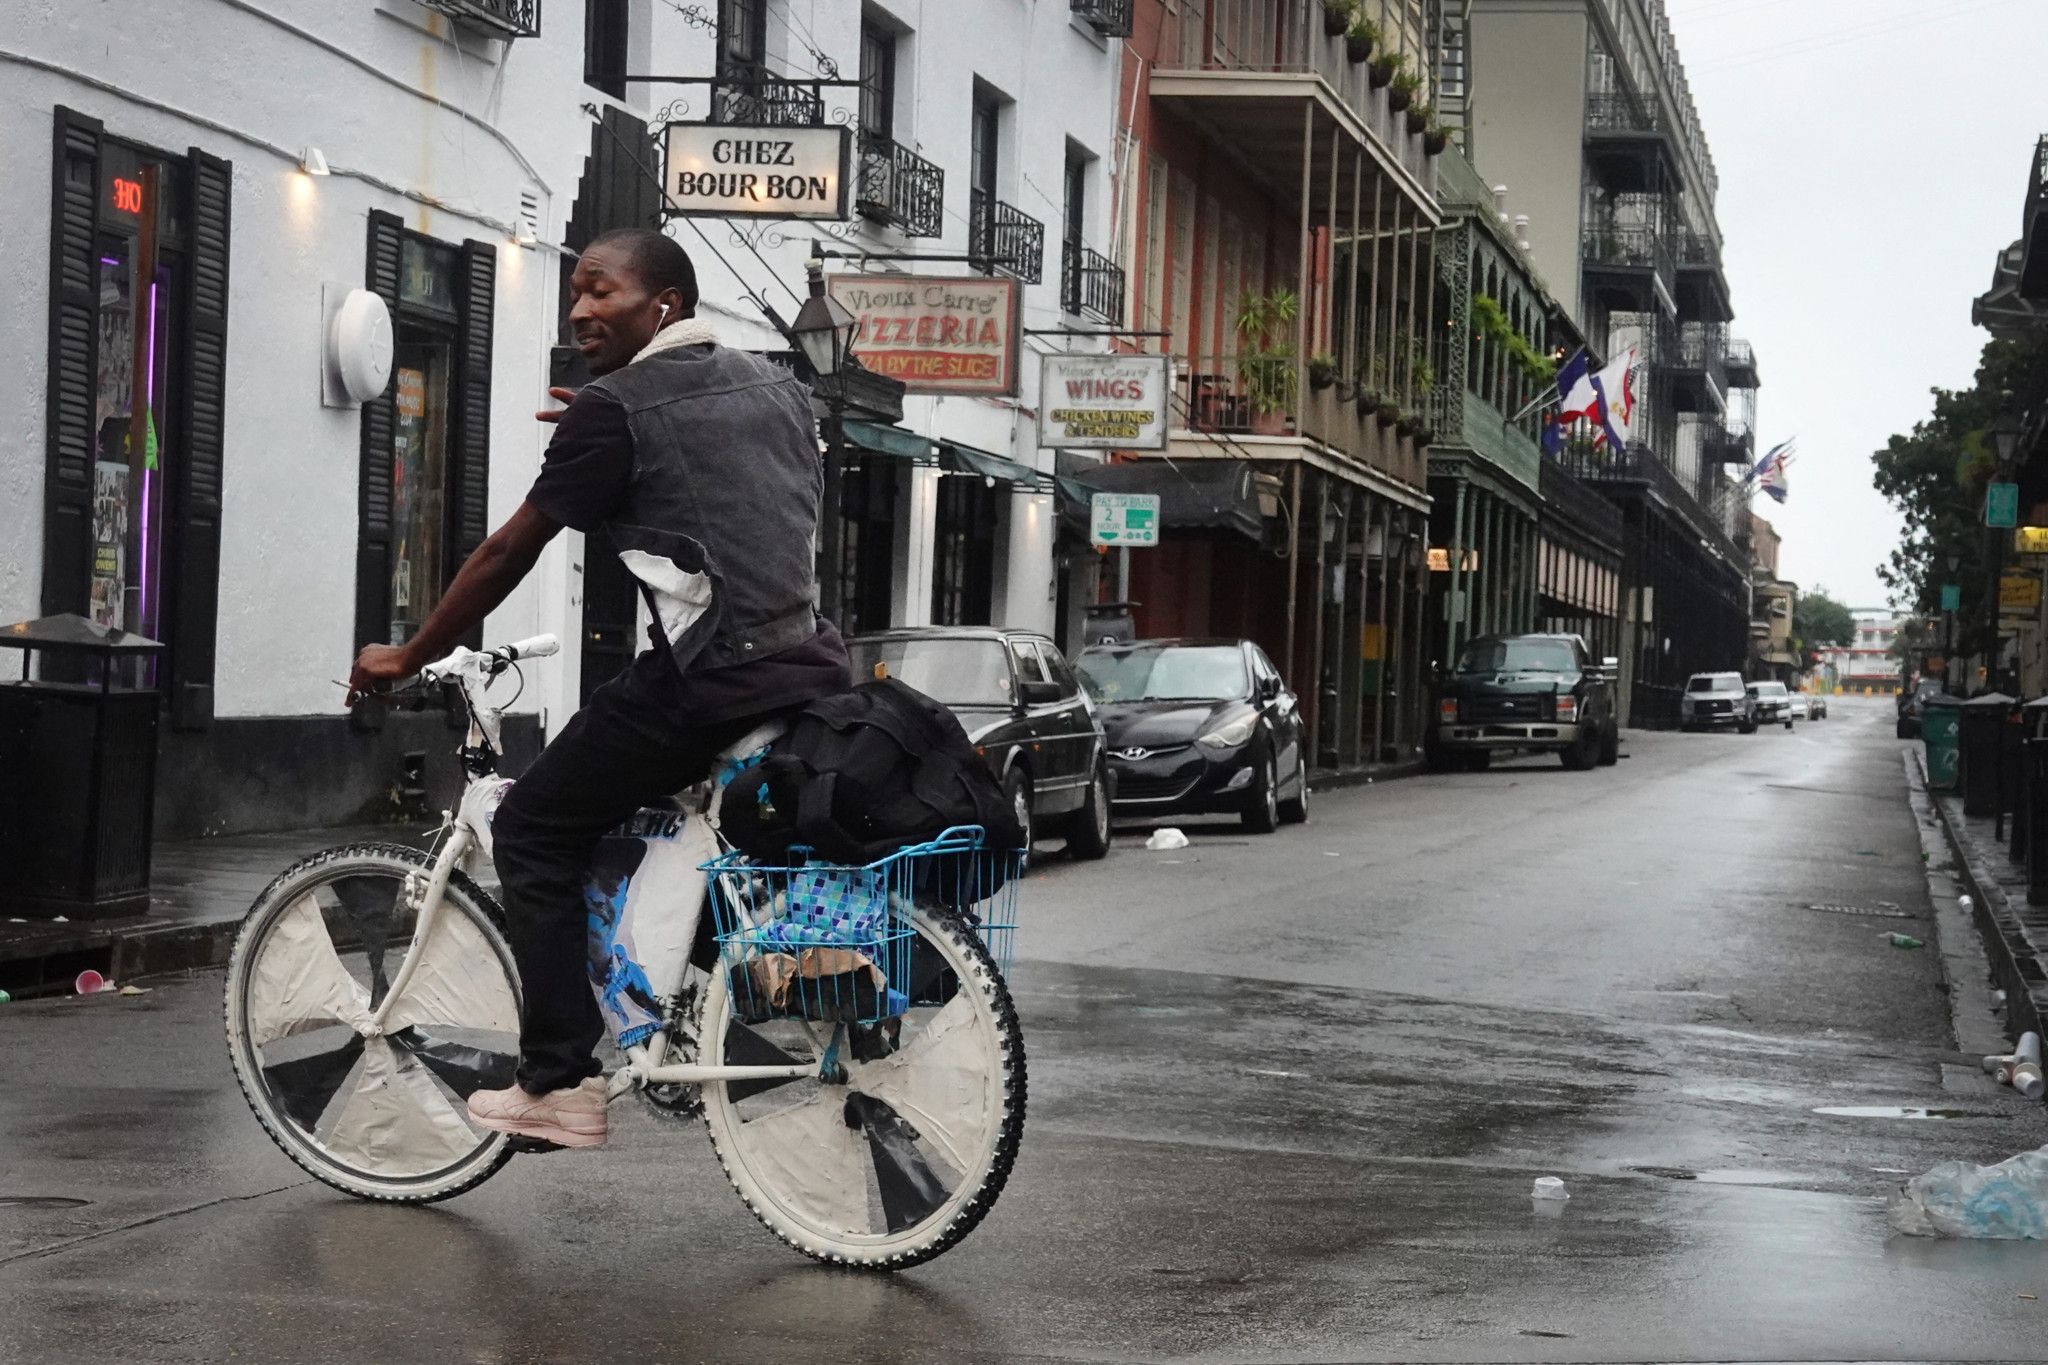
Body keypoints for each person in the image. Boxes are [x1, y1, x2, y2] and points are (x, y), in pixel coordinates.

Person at [348, 228, 850, 1149]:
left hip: (709, 677)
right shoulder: (776, 384)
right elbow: (723, 477)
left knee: (535, 827)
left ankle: (559, 1079)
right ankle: (676, 994)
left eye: (600, 291)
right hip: (807, 660)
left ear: (662, 303)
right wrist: (603, 420)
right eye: (575, 293)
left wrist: (410, 652)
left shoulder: (617, 411)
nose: (579, 308)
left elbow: (507, 551)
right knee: (640, 805)